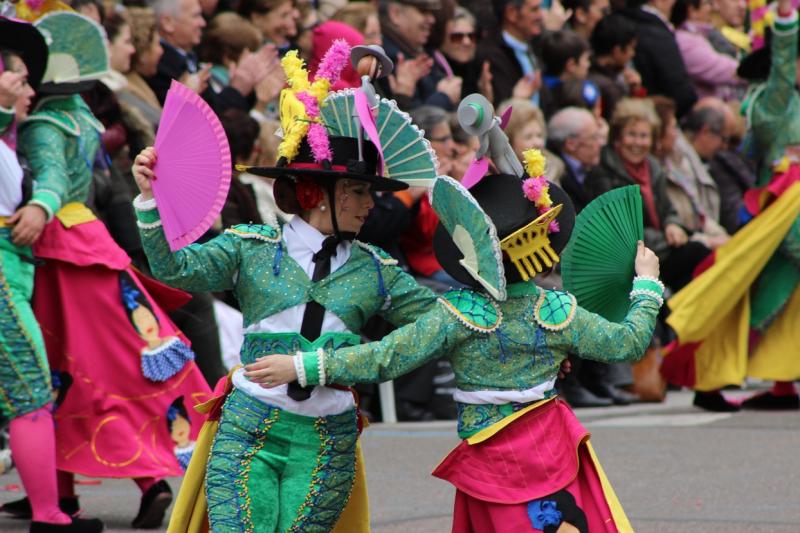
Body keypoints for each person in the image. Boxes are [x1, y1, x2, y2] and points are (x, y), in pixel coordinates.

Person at [245, 142, 664, 533]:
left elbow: (386, 358)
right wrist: (646, 286)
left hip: (491, 460)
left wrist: (302, 365)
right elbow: (627, 342)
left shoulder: (459, 315)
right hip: (548, 449)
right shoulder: (559, 312)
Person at [132, 44, 440, 532]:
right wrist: (150, 201)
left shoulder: (377, 269)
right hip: (249, 423)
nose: (370, 206)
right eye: (359, 192)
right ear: (318, 194)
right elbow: (174, 269)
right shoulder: (250, 248)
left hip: (327, 435)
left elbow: (439, 323)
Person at [11, 10, 212, 529]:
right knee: (99, 366)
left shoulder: (42, 125)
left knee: (74, 371)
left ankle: (139, 487)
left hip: (60, 251)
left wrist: (40, 204)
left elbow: (52, 177)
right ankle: (62, 492)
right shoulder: (82, 113)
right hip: (91, 240)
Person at [662, 0, 800, 412]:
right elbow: (782, 66)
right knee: (742, 291)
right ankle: (710, 376)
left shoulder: (776, 102)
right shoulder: (774, 100)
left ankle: (778, 385)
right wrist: (787, 24)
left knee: (773, 294)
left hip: (781, 207)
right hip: (786, 208)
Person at [0, 16, 103, 533]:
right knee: (31, 393)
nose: (26, 83)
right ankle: (47, 515)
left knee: (29, 392)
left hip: (14, 270)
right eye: (13, 71)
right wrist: (41, 203)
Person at [587, 97, 711, 291]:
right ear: (618, 137)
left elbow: (668, 209)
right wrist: (666, 238)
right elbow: (621, 230)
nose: (638, 142)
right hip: (631, 257)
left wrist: (673, 224)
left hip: (660, 247)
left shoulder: (653, 167)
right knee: (697, 254)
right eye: (632, 135)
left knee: (702, 261)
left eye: (644, 136)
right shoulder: (604, 171)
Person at [476, 0, 545, 106]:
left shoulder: (535, 45)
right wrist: (516, 100)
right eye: (534, 9)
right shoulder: (490, 56)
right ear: (512, 13)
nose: (541, 15)